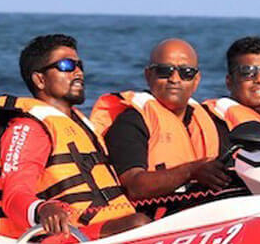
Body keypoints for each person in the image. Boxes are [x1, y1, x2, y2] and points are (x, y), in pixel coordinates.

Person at [0, 34, 149, 240]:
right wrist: (43, 210)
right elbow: (14, 195)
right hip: (65, 238)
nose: (78, 72)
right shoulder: (29, 127)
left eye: (79, 65)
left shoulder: (81, 125)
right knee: (139, 224)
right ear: (40, 79)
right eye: (67, 66)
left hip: (108, 227)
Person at [90, 38, 237, 219]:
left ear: (197, 80)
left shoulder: (210, 121)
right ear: (148, 75)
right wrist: (190, 171)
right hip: (156, 222)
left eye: (186, 73)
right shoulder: (130, 122)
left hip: (206, 214)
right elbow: (134, 186)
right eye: (164, 71)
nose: (175, 79)